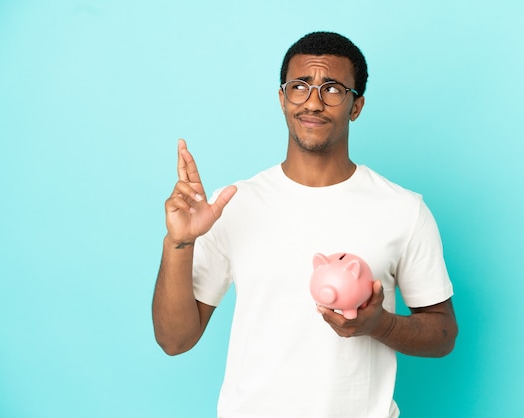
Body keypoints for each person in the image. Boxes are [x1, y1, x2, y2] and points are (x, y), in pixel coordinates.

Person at [152, 31, 458, 418]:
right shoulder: (233, 204)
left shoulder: (403, 209)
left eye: (332, 88)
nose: (313, 101)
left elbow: (443, 334)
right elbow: (175, 340)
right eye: (300, 86)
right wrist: (178, 244)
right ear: (282, 98)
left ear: (356, 105)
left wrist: (378, 324)